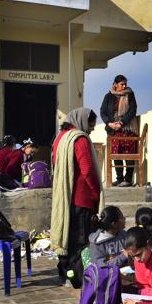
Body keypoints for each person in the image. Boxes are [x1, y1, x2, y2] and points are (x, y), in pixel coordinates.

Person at [50, 108, 102, 288]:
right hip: (81, 197)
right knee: (80, 241)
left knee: (66, 236)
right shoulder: (80, 139)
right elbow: (87, 170)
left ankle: (63, 273)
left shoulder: (60, 138)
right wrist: (96, 193)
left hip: (65, 198)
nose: (92, 129)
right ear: (82, 121)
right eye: (91, 125)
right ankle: (76, 278)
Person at [100, 74, 139, 186]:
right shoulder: (108, 96)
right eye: (122, 84)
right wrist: (110, 123)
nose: (124, 86)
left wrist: (122, 123)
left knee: (129, 154)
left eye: (125, 84)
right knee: (116, 153)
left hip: (127, 128)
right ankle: (120, 179)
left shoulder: (130, 95)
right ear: (115, 85)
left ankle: (128, 179)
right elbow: (103, 111)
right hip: (113, 129)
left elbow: (132, 110)